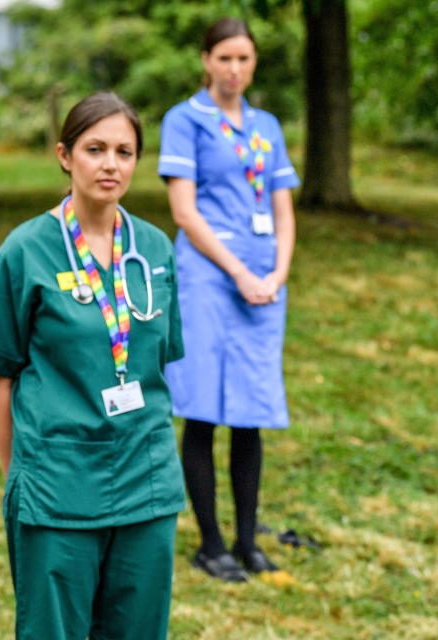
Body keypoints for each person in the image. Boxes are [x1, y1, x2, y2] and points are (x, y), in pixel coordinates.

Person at [0, 93, 184, 639]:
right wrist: (22, 474)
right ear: (65, 156)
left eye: (124, 151)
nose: (111, 164)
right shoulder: (27, 251)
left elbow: (159, 363)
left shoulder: (154, 249)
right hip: (56, 488)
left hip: (147, 479)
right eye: (95, 149)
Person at [158, 17, 299, 582]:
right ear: (205, 60)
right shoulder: (184, 121)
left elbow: (284, 207)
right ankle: (210, 542)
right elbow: (184, 210)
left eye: (244, 59)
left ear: (254, 62)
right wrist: (240, 271)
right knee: (203, 412)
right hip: (209, 279)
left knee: (250, 412)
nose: (234, 70)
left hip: (264, 286)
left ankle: (247, 541)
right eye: (224, 59)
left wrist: (279, 272)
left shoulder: (266, 125)